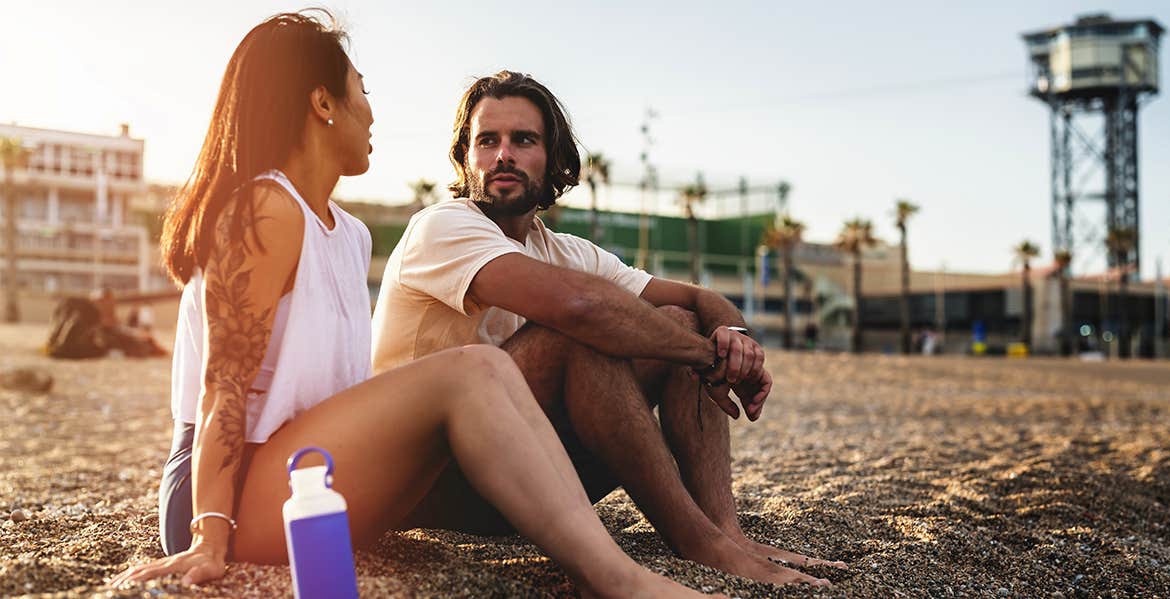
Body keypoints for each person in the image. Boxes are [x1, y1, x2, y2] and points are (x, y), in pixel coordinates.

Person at [111, 13, 716, 598]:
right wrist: (208, 537)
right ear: (323, 104)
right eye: (361, 90)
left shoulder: (348, 234)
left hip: (313, 474)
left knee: (494, 369)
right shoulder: (265, 209)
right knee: (475, 368)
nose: (371, 112)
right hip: (230, 495)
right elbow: (224, 385)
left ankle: (635, 555)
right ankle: (615, 578)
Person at [371, 70, 846, 587]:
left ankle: (723, 531)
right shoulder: (443, 226)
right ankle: (699, 542)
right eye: (487, 140)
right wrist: (708, 357)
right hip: (432, 481)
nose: (502, 154)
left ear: (552, 158)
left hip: (527, 475)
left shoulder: (566, 250)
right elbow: (578, 308)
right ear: (466, 157)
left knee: (677, 323)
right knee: (582, 333)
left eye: (523, 140)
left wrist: (736, 341)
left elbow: (695, 298)